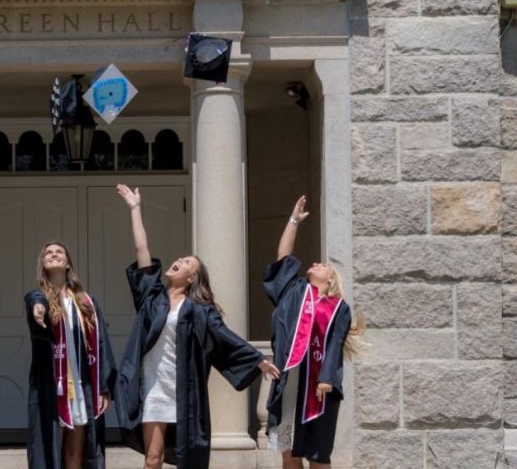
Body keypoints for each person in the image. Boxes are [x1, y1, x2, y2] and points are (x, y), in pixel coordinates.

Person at [113, 184, 280, 469]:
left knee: (189, 458)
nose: (178, 260)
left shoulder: (200, 311)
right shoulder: (151, 298)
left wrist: (257, 360)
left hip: (183, 389)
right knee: (152, 458)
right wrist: (135, 208)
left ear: (192, 278)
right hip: (153, 386)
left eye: (186, 262)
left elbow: (224, 337)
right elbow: (142, 248)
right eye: (180, 258)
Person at [263, 195, 364, 469]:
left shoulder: (338, 307)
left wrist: (327, 378)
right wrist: (294, 220)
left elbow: (334, 345)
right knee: (290, 456)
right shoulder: (294, 292)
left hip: (319, 388)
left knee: (318, 457)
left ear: (331, 279)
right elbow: (283, 259)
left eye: (324, 265)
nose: (317, 262)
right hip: (290, 382)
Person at [24, 241, 118, 469]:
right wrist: (38, 308)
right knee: (52, 447)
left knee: (76, 450)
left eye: (59, 252)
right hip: (53, 386)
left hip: (81, 384)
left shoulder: (86, 302)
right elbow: (33, 301)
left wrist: (103, 387)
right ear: (43, 264)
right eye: (48, 252)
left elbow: (101, 343)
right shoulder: (39, 297)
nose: (54, 254)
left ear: (68, 264)